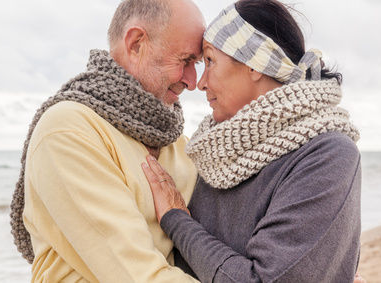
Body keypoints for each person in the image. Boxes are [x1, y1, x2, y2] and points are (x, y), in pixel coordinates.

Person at [142, 0, 362, 282]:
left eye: (210, 61)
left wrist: (176, 219)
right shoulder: (214, 151)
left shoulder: (327, 155)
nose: (200, 82)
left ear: (255, 63)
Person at [9, 0, 205, 282]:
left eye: (198, 64)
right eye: (185, 60)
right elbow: (137, 276)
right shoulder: (68, 130)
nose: (193, 80)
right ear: (136, 43)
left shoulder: (180, 145)